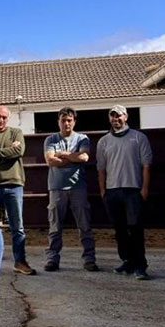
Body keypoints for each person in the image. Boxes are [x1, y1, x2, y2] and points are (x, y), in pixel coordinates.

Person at [97, 105, 153, 280]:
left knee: (135, 228)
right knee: (119, 230)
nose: (116, 119)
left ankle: (140, 265)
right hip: (112, 192)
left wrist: (144, 189)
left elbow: (146, 165)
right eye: (113, 116)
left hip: (133, 190)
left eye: (119, 116)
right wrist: (103, 191)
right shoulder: (103, 142)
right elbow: (101, 169)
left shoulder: (139, 138)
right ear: (109, 119)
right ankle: (127, 261)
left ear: (126, 117)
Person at [0, 106, 35, 275]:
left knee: (18, 227)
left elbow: (19, 150)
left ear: (8, 119)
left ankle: (20, 262)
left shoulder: (16, 133)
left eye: (4, 117)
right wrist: (7, 153)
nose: (1, 120)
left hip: (14, 184)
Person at [43, 107, 98, 272]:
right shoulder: (50, 139)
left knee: (84, 225)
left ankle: (89, 259)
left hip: (78, 188)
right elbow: (51, 161)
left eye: (69, 120)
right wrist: (73, 157)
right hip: (56, 188)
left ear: (74, 121)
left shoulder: (82, 138)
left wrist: (63, 154)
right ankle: (52, 259)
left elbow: (84, 157)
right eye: (63, 120)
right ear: (58, 122)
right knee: (55, 227)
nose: (66, 123)